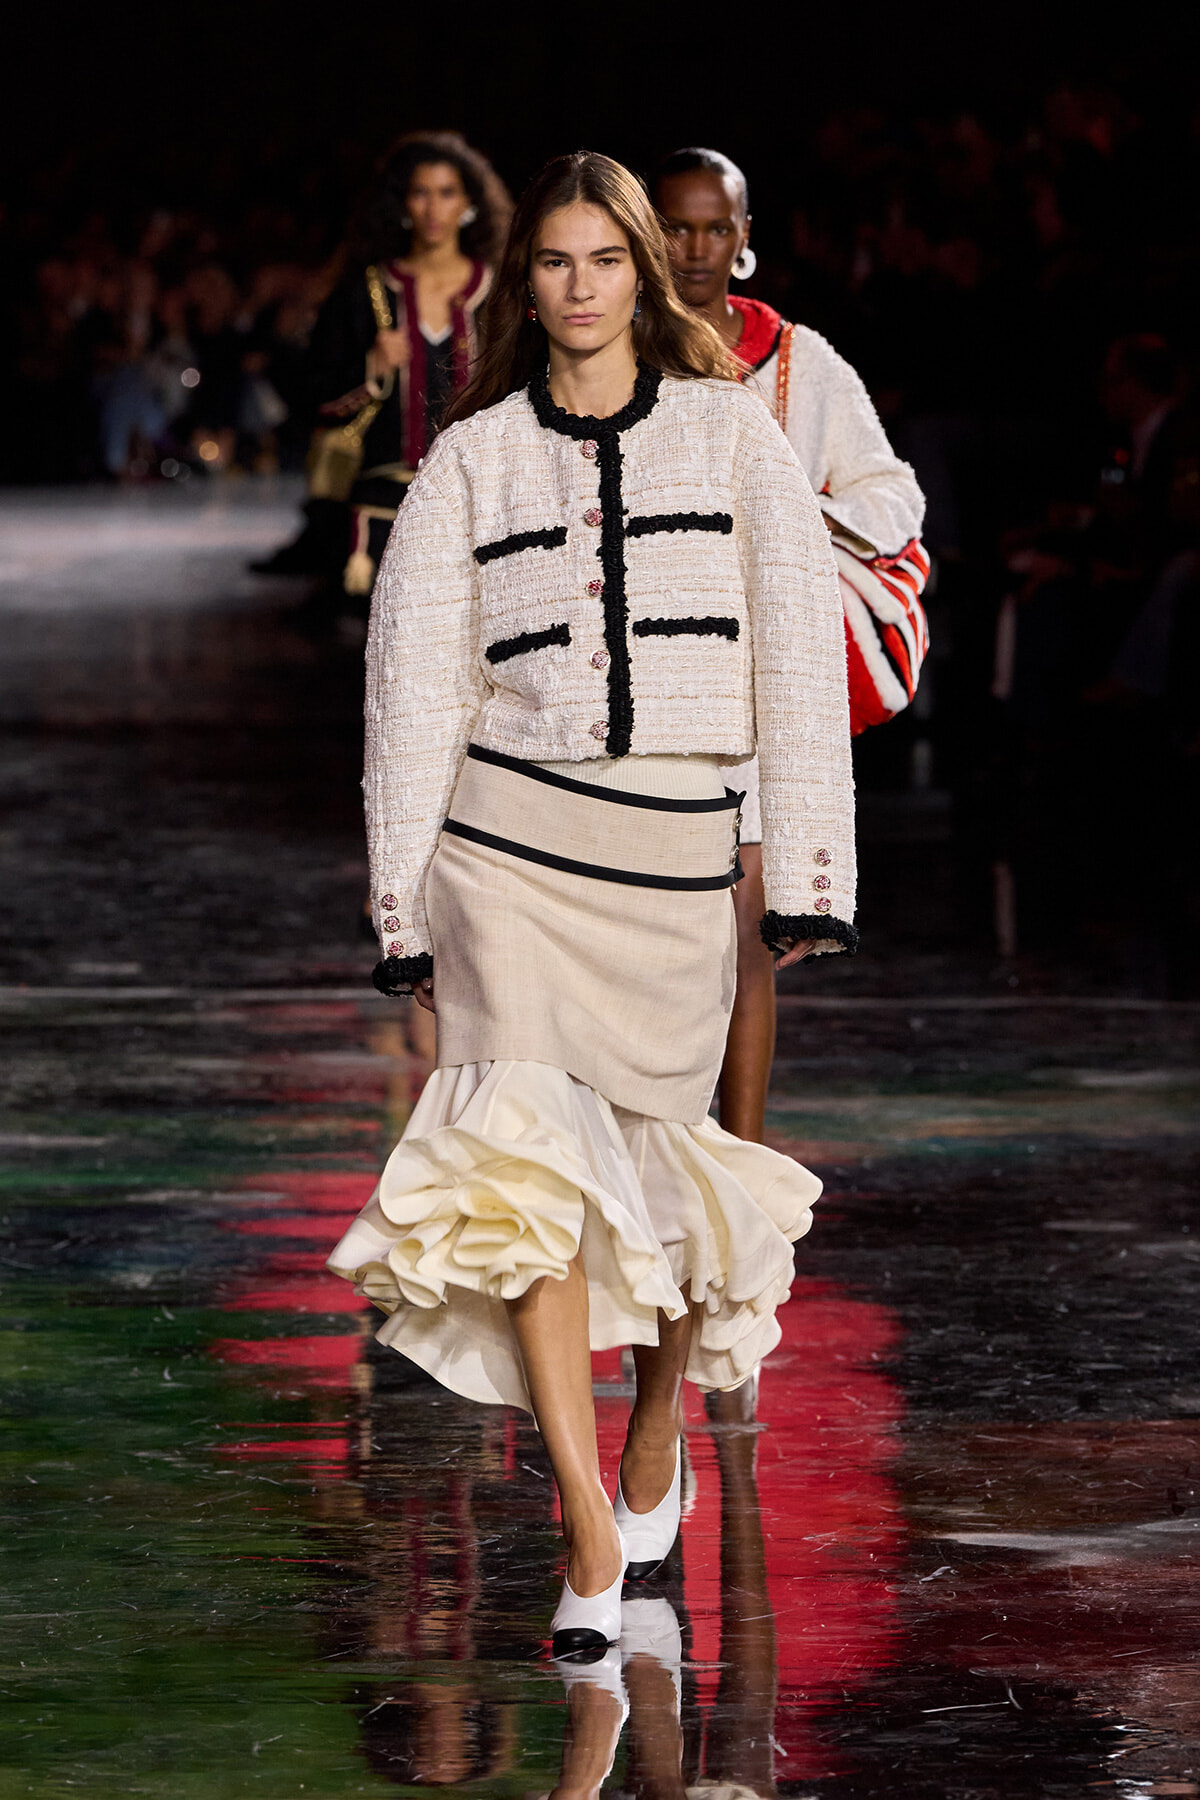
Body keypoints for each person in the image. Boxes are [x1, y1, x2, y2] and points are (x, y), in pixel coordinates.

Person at [327, 150, 855, 1662]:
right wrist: (400, 898)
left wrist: (810, 871)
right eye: (553, 263)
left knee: (681, 1178)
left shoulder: (735, 445)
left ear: (643, 271)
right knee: (525, 1176)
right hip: (511, 851)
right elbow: (411, 689)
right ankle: (576, 1515)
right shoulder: (475, 461)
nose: (578, 287)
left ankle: (652, 1425)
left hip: (675, 855)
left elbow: (797, 667)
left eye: (602, 260)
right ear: (526, 282)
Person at [653, 147, 929, 1153]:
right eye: (674, 226)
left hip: (757, 688)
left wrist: (800, 520)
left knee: (742, 937)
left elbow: (891, 496)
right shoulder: (605, 353)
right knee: (650, 942)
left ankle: (739, 1168)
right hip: (636, 681)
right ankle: (656, 1153)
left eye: (713, 226)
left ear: (744, 238)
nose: (694, 248)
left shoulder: (800, 364)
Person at [252, 131, 510, 591]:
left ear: (469, 203)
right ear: (401, 202)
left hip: (483, 496)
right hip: (379, 500)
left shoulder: (501, 294)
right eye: (420, 193)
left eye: (447, 193)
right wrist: (369, 369)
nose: (433, 209)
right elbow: (313, 397)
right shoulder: (362, 293)